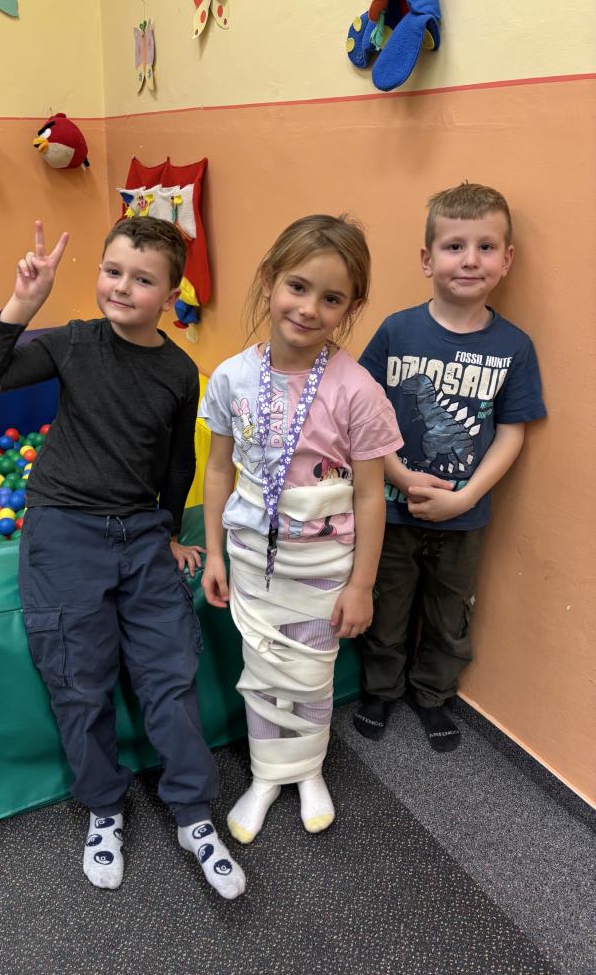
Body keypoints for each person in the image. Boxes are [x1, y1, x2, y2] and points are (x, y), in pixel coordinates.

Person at [0, 216, 245, 899]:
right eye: (112, 271)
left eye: (142, 279)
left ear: (171, 295)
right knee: (78, 681)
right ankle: (104, 808)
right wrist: (23, 303)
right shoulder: (74, 341)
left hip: (142, 534)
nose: (121, 287)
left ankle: (192, 814)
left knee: (169, 674)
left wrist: (170, 531)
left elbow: (176, 462)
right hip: (64, 530)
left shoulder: (177, 371)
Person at [200, 214, 402, 844]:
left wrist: (362, 585)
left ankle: (308, 769)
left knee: (312, 673)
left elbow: (370, 495)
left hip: (323, 566)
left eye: (332, 298)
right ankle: (266, 774)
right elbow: (218, 471)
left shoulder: (358, 391)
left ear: (352, 308)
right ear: (268, 280)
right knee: (262, 671)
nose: (310, 308)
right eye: (297, 286)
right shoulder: (231, 377)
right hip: (250, 558)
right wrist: (213, 554)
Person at [354, 182, 546, 751]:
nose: (469, 260)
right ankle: (380, 689)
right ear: (426, 258)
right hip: (391, 510)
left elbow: (512, 432)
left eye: (486, 247)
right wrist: (397, 474)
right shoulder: (397, 330)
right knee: (387, 604)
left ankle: (433, 694)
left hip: (465, 517)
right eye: (454, 246)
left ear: (506, 260)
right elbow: (360, 411)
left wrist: (466, 497)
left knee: (449, 612)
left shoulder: (514, 347)